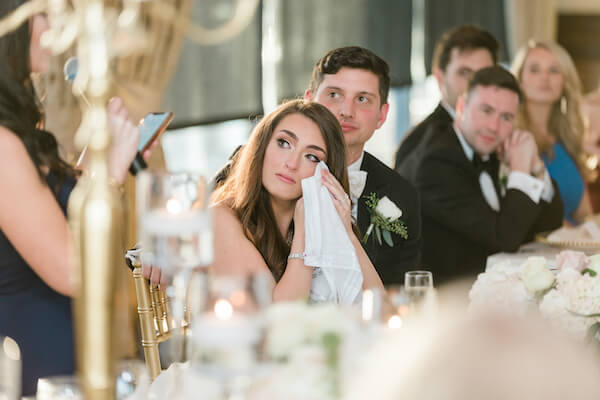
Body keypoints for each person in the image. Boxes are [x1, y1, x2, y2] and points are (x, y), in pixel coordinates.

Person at [0, 1, 146, 394]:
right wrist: (111, 174)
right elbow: (73, 268)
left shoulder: (15, 130)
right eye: (45, 13)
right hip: (33, 364)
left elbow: (49, 216)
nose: (57, 29)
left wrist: (97, 163)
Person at [397, 66, 563, 285]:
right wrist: (520, 170)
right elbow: (505, 237)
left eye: (506, 117)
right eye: (486, 111)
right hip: (445, 296)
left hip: (486, 283)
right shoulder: (437, 161)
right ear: (462, 106)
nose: (494, 127)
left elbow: (548, 224)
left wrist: (536, 168)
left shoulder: (490, 150)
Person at [210, 99, 383, 301]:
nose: (291, 164)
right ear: (262, 146)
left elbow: (380, 307)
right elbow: (279, 319)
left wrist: (346, 232)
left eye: (311, 156)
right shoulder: (220, 218)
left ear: (325, 173)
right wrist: (303, 234)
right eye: (284, 143)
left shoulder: (318, 224)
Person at [304, 46, 421, 285]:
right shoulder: (266, 168)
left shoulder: (402, 196)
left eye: (362, 99)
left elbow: (399, 290)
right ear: (308, 101)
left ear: (382, 115)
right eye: (334, 95)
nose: (346, 111)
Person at [394, 25, 498, 173]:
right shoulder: (420, 141)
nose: (476, 84)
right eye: (464, 73)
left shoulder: (501, 135)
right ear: (440, 78)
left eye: (484, 74)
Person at [512, 40, 593, 225]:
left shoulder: (569, 139)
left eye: (554, 70)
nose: (544, 77)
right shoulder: (511, 139)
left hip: (576, 249)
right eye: (534, 69)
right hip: (529, 251)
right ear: (519, 80)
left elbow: (584, 215)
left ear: (565, 82)